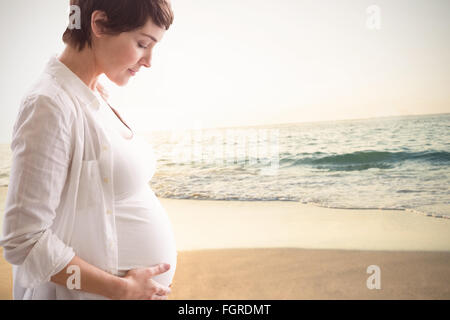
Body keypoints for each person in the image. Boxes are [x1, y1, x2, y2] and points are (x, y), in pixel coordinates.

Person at [0, 0, 177, 300]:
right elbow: (24, 241)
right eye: (142, 43)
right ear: (98, 25)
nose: (149, 60)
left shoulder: (94, 92)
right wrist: (121, 289)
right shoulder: (49, 105)